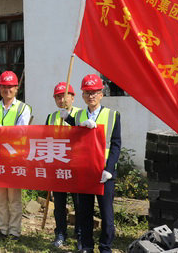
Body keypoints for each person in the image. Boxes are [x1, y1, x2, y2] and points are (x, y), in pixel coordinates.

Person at [64, 74, 121, 253]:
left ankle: (105, 247)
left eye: (95, 92)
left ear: (101, 94)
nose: (91, 96)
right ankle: (87, 245)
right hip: (85, 171)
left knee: (106, 214)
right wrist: (68, 118)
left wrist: (109, 169)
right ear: (82, 95)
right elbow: (73, 136)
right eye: (88, 93)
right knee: (84, 212)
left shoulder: (112, 115)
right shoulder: (78, 115)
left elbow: (116, 144)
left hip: (104, 173)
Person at [0, 70, 32, 239]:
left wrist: (2, 131)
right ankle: (3, 229)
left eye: (10, 87)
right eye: (4, 87)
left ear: (16, 88)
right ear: (0, 89)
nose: (7, 90)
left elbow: (22, 131)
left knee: (14, 198)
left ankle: (14, 231)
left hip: (14, 159)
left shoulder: (23, 108)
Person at [47, 82, 81, 248]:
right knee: (59, 204)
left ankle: (80, 234)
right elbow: (45, 140)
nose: (62, 100)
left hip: (76, 166)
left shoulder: (81, 115)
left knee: (79, 203)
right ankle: (60, 233)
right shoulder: (51, 117)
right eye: (58, 97)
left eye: (65, 96)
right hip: (58, 167)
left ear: (72, 98)